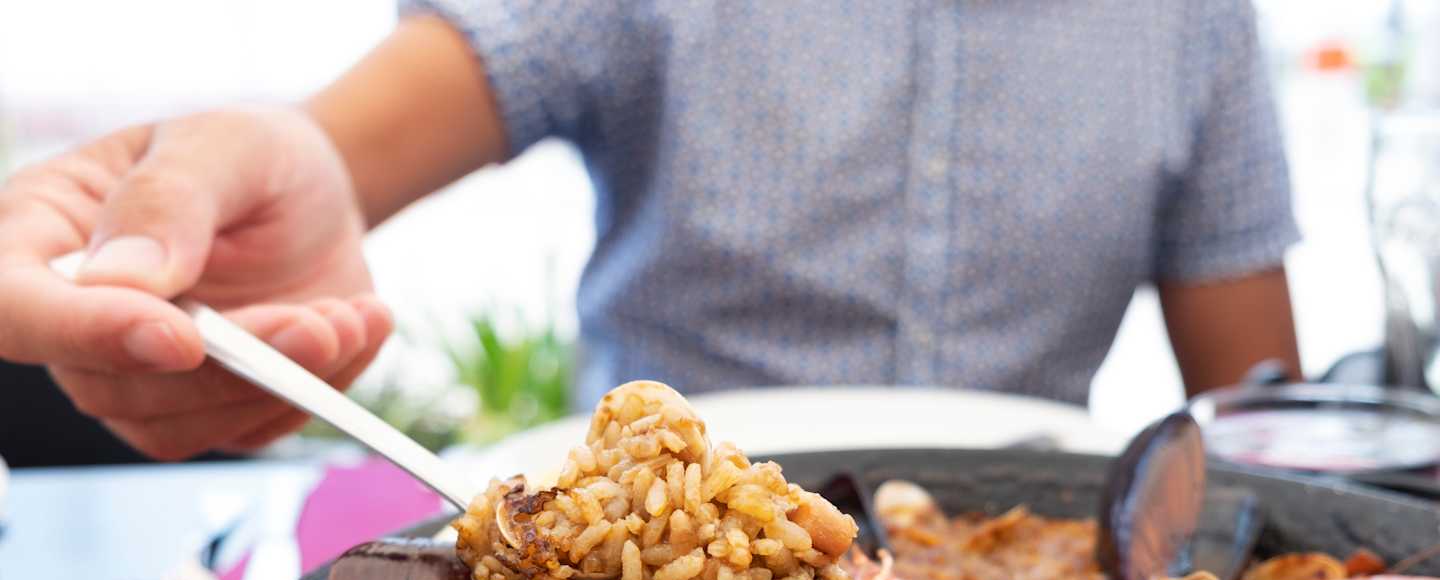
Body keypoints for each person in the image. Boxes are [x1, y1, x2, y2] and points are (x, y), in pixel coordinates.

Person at [0, 1, 1301, 462]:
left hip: (1018, 571)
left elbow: (1261, 416)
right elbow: (350, 136)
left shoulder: (1196, 19)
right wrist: (286, 169)